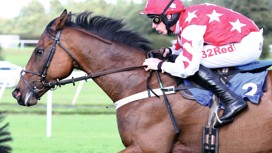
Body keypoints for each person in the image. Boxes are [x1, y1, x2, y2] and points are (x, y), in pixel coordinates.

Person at [141, 0, 263, 127]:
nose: (153, 26)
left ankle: (232, 100)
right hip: (246, 40)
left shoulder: (191, 27)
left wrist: (160, 65)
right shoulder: (187, 18)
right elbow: (181, 46)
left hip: (246, 45)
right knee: (184, 57)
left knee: (190, 62)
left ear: (168, 16)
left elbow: (187, 68)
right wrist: (169, 51)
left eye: (155, 20)